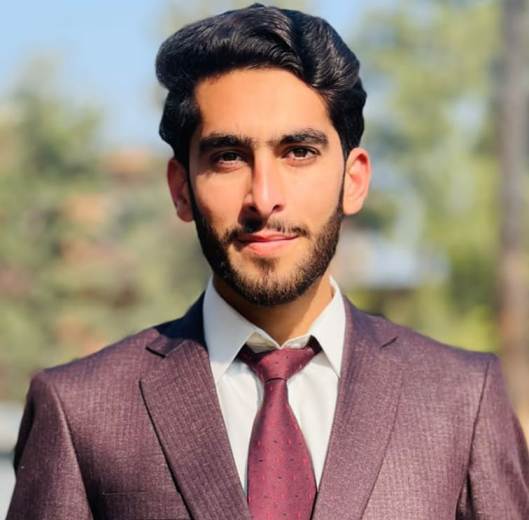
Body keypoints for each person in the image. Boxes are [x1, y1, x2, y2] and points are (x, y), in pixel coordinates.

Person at [7, 4, 529, 520]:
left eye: (298, 152)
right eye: (228, 157)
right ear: (181, 189)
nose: (263, 197)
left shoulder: (461, 399)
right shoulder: (83, 410)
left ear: (353, 181)